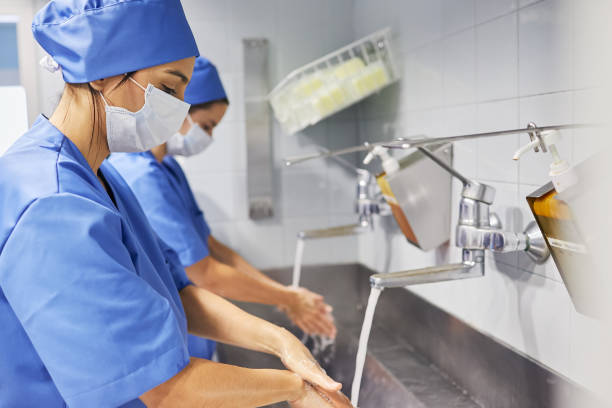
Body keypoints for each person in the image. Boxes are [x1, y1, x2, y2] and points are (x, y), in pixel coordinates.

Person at [0, 1, 351, 407]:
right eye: (168, 89)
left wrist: (282, 343)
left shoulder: (99, 174)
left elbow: (178, 290)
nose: (176, 113)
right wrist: (300, 388)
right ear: (101, 72)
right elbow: (166, 389)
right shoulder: (51, 204)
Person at [110, 56, 337, 362]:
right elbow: (205, 275)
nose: (208, 137)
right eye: (206, 126)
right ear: (179, 110)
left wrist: (284, 296)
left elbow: (211, 248)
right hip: (168, 341)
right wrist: (288, 298)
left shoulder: (167, 168)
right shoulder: (142, 177)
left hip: (196, 334)